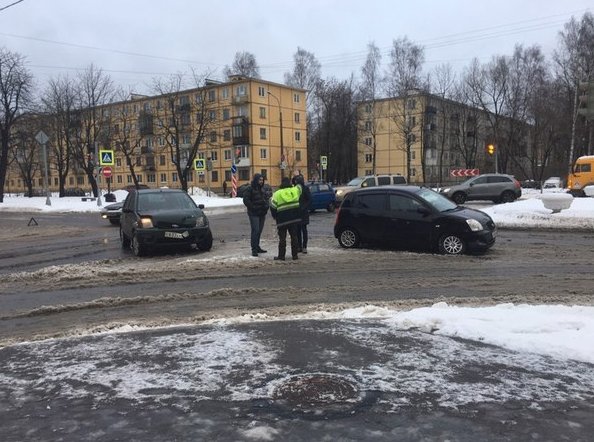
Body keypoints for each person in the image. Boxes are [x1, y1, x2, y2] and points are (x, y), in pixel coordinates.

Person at [270, 176, 302, 261]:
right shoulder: (294, 190)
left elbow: (272, 206)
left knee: (282, 238)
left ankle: (281, 256)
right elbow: (300, 187)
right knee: (294, 237)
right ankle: (295, 255)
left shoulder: (277, 193)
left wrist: (275, 216)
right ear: (290, 183)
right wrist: (297, 178)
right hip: (294, 218)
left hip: (282, 220)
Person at [242, 174, 269, 257]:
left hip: (262, 213)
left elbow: (266, 199)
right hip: (254, 213)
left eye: (262, 180)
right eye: (260, 180)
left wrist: (266, 206)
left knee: (259, 231)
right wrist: (253, 207)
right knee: (255, 231)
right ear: (256, 180)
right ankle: (254, 249)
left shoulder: (262, 189)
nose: (261, 181)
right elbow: (246, 200)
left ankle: (257, 247)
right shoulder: (250, 188)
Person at [292, 174, 311, 253]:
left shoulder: (305, 189)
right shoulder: (294, 189)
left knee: (304, 230)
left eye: (297, 180)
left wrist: (304, 207)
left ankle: (304, 246)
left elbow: (309, 199)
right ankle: (299, 246)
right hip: (297, 212)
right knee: (297, 230)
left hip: (303, 212)